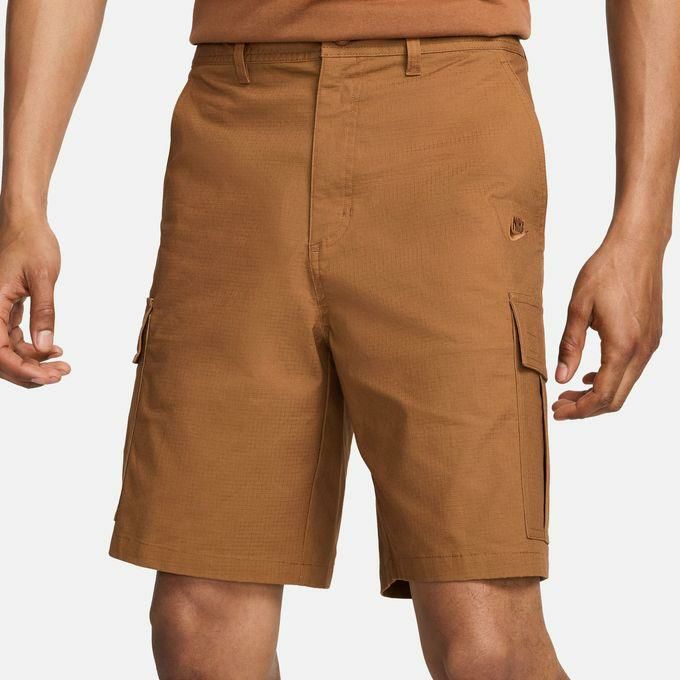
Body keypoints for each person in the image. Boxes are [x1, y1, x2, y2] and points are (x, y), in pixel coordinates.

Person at [0, 1, 677, 678]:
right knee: (199, 628)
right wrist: (21, 206)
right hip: (237, 122)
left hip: (449, 117)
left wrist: (643, 231)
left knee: (484, 631)